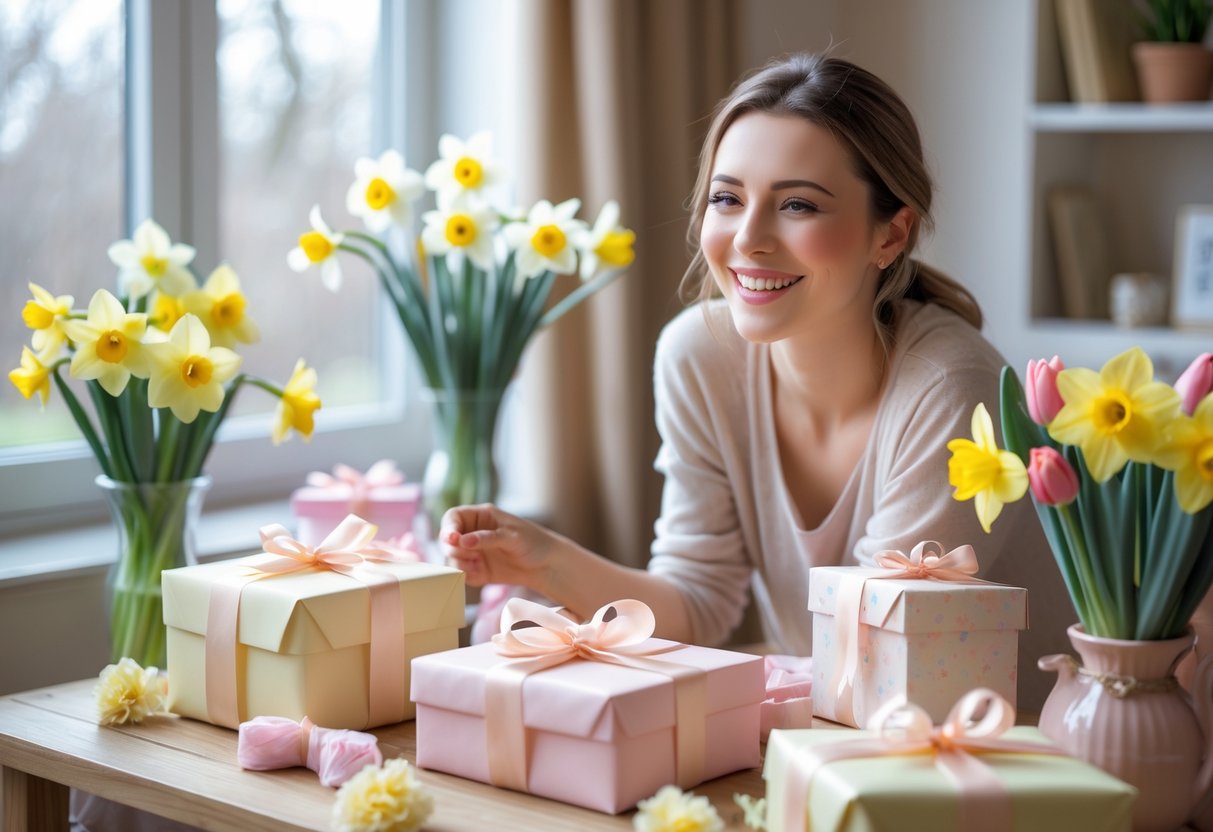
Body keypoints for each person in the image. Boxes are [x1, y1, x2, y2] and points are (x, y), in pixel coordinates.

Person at [440, 52, 1072, 712]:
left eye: (797, 204)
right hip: (835, 735)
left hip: (998, 760)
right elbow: (698, 602)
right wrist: (547, 562)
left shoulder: (949, 387)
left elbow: (875, 661)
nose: (749, 239)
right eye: (726, 198)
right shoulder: (699, 356)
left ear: (890, 234)